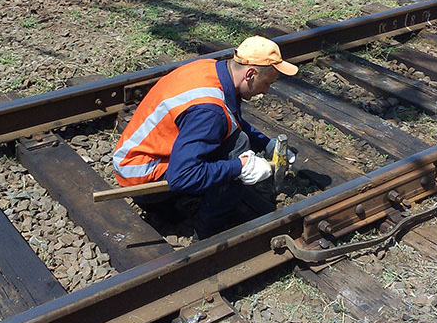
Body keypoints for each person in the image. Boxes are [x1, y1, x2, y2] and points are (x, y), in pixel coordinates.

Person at [112, 36, 298, 239]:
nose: (266, 91)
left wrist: (265, 143)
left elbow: (229, 119)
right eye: (266, 83)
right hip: (142, 180)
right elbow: (181, 177)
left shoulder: (211, 69)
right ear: (250, 74)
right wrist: (240, 167)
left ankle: (173, 209)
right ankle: (207, 234)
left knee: (232, 139)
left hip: (136, 158)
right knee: (237, 146)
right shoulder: (209, 111)